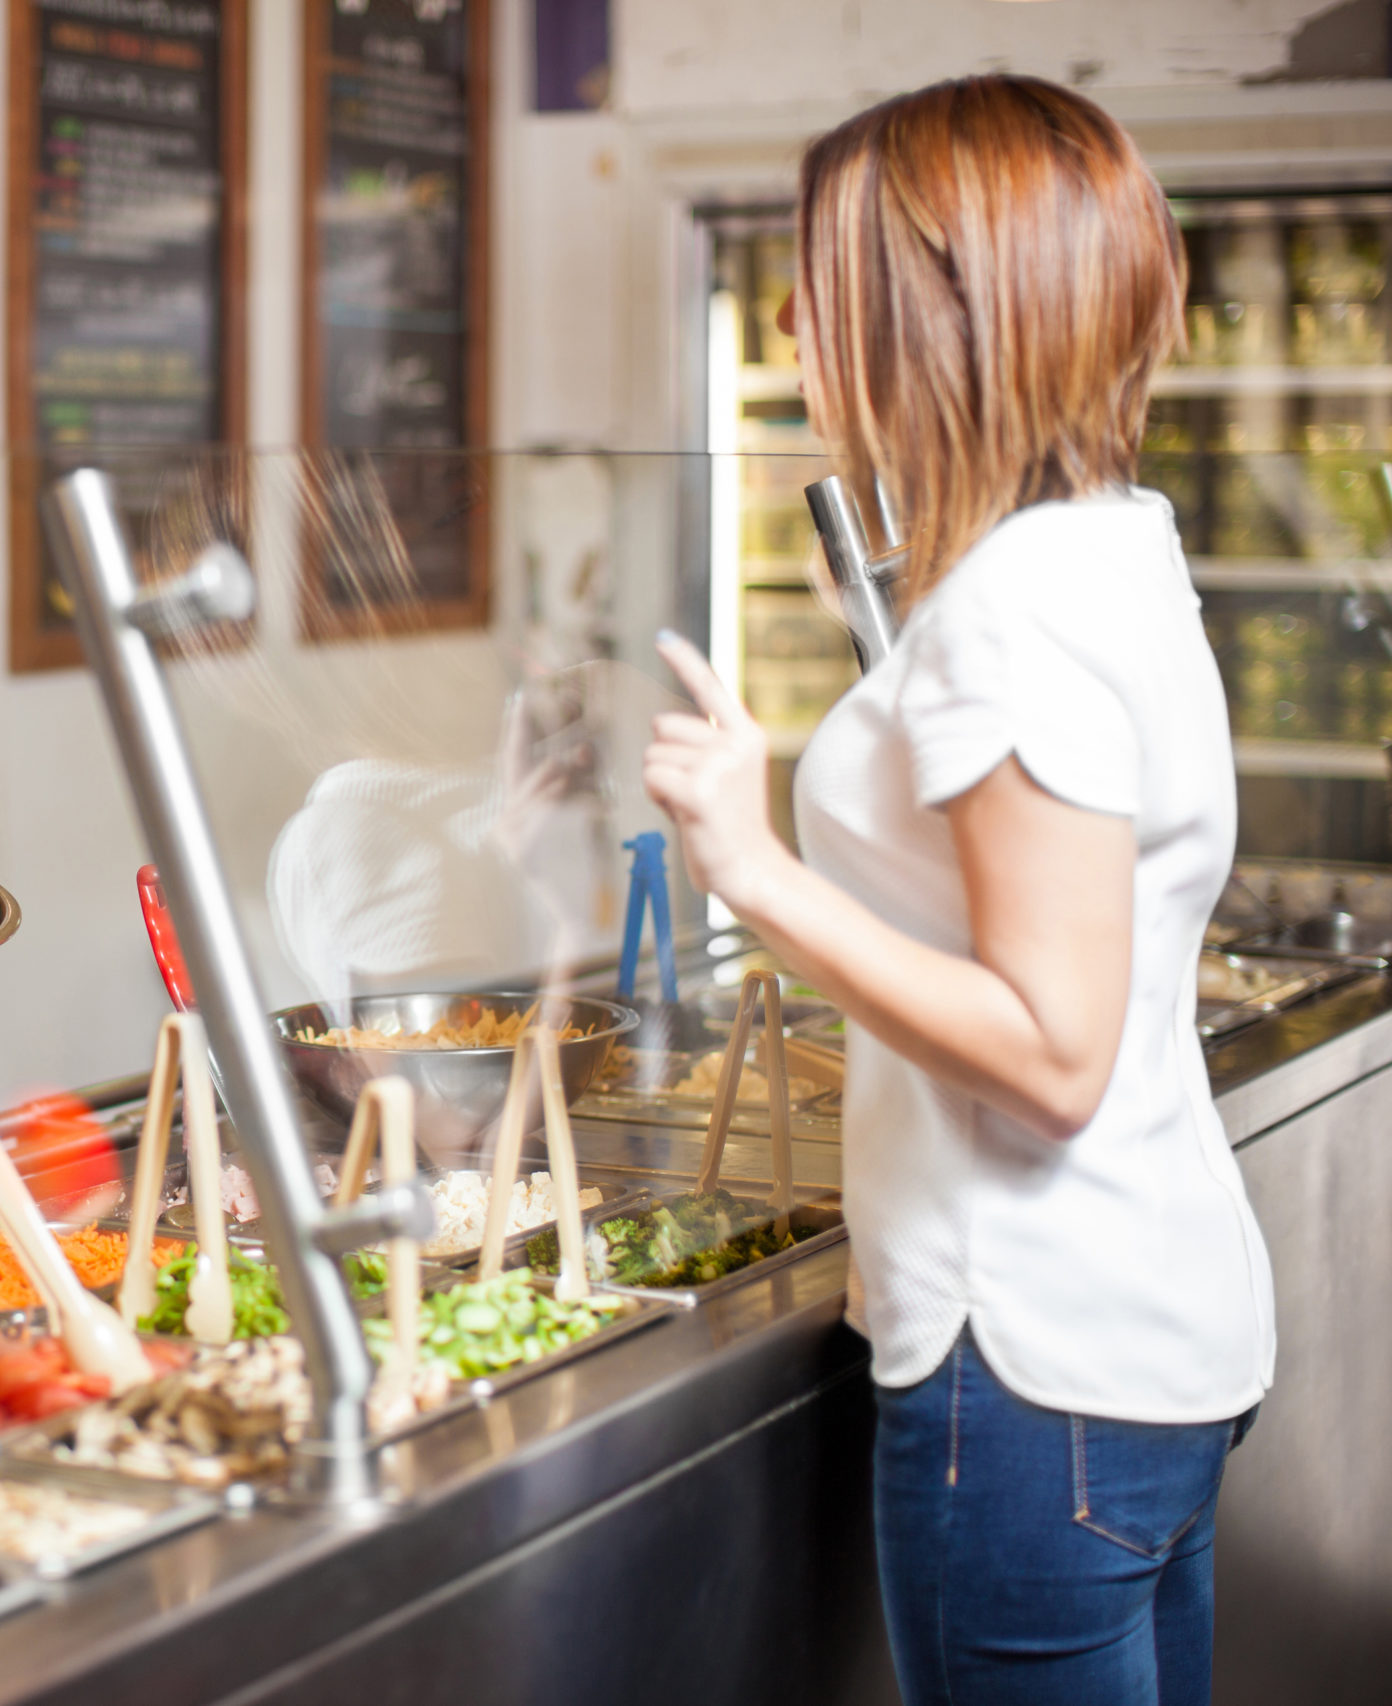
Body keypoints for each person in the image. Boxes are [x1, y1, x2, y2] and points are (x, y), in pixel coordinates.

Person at [641, 77, 1271, 1706]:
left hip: (1035, 1368)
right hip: (1155, 1327)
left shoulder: (1009, 614)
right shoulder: (1118, 541)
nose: (789, 317)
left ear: (932, 312)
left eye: (821, 276)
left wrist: (753, 863)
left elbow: (1052, 1055)